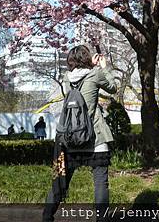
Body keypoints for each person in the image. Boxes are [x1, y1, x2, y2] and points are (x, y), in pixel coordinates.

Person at [43, 45, 117, 222]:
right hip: (95, 138)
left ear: (70, 61)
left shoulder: (66, 78)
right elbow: (113, 87)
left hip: (70, 139)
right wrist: (103, 67)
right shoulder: (95, 74)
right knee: (100, 183)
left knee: (60, 180)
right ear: (87, 58)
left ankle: (46, 217)